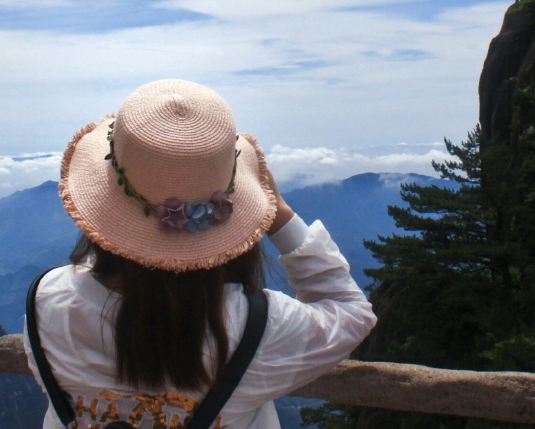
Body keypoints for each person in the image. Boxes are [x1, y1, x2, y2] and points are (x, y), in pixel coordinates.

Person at [25, 80, 377, 429]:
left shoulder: (47, 303)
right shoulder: (256, 328)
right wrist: (280, 215)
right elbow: (349, 312)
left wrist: (134, 237)